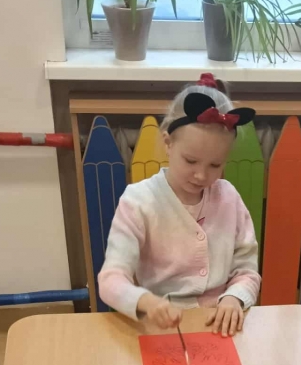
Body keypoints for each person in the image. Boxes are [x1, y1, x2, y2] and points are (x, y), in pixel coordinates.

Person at [99, 73, 261, 338]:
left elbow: (247, 269)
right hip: (162, 326)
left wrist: (234, 297)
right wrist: (146, 302)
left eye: (215, 165)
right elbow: (110, 280)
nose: (201, 175)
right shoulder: (139, 201)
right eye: (190, 161)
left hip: (220, 324)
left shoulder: (229, 198)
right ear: (168, 143)